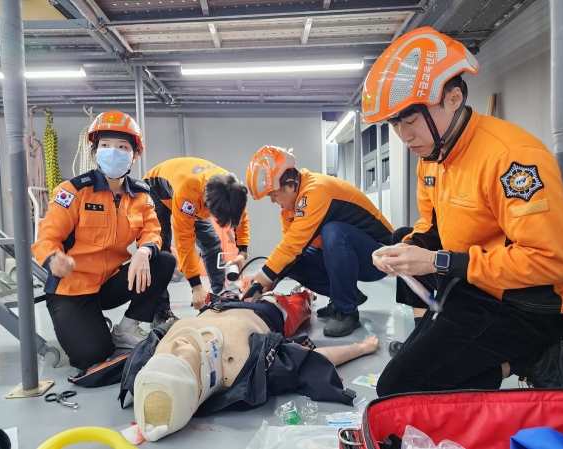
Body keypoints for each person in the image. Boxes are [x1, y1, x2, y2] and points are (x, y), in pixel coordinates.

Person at [362, 27, 563, 395]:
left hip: (526, 303)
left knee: (399, 388)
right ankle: (496, 356)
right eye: (394, 124)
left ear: (453, 98)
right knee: (403, 240)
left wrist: (438, 262)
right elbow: (432, 225)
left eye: (410, 120)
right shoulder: (433, 156)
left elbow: (551, 261)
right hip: (472, 282)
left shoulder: (512, 159)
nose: (403, 137)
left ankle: (532, 358)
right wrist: (408, 249)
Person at [126, 287, 379, 442]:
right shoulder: (246, 365)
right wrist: (360, 348)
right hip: (269, 311)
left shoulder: (152, 349)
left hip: (218, 303)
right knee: (293, 300)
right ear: (202, 382)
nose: (174, 344)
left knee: (242, 288)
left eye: (163, 354)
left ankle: (239, 290)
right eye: (181, 358)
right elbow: (311, 359)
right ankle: (304, 294)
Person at [32, 110, 176, 370]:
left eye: (122, 147)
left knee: (163, 260)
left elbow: (152, 231)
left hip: (109, 283)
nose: (113, 152)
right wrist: (53, 258)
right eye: (105, 145)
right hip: (73, 287)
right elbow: (47, 236)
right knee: (93, 356)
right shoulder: (74, 191)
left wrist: (143, 252)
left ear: (134, 154)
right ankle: (90, 326)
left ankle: (127, 328)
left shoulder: (141, 195)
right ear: (94, 151)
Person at [242, 146, 393, 337]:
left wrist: (256, 282)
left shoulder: (316, 190)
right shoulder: (288, 209)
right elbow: (289, 251)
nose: (273, 201)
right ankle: (346, 295)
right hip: (350, 256)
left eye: (274, 195)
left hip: (378, 257)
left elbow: (291, 247)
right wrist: (266, 285)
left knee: (333, 232)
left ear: (290, 184)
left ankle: (346, 310)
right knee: (290, 264)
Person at [144, 158, 250, 316]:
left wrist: (242, 252)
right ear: (208, 204)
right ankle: (161, 310)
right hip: (157, 188)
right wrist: (196, 286)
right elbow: (185, 241)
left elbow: (241, 219)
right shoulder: (188, 194)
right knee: (162, 246)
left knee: (212, 243)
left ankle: (220, 292)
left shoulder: (233, 190)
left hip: (195, 193)